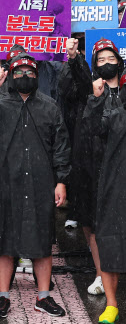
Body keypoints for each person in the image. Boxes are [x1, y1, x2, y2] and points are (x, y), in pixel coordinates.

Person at [0, 55, 70, 318]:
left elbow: (61, 146)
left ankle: (43, 296)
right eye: (18, 72)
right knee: (4, 243)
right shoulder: (0, 104)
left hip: (41, 184)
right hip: (6, 184)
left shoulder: (49, 107)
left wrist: (61, 180)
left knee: (42, 241)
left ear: (37, 75)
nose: (24, 76)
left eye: (29, 71)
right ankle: (3, 296)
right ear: (10, 76)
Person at [60, 39, 123, 296]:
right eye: (100, 60)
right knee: (91, 222)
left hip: (119, 168)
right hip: (88, 164)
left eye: (111, 59)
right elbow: (79, 76)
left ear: (119, 62)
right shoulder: (88, 89)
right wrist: (74, 57)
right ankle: (100, 273)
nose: (106, 64)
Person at [84, 74, 126, 324]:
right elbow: (92, 128)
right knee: (111, 245)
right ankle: (112, 304)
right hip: (115, 188)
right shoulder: (115, 114)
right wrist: (96, 99)